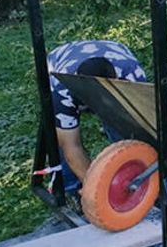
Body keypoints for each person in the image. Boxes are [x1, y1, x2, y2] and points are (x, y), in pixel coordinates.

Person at [48, 40, 147, 192]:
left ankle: (128, 175)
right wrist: (95, 192)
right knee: (61, 140)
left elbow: (139, 128)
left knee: (124, 128)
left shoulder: (132, 78)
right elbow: (71, 147)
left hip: (115, 52)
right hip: (60, 60)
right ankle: (71, 188)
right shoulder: (63, 90)